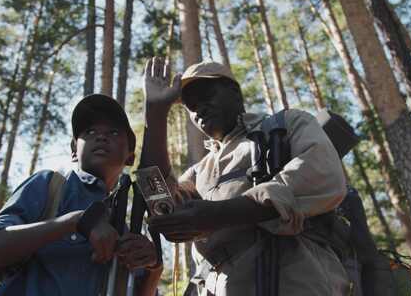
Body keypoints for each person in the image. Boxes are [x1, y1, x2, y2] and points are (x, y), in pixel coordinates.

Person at [140, 57, 350, 295]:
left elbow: (322, 174)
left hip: (296, 281)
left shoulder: (286, 125)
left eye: (207, 95)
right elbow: (160, 203)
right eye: (191, 105)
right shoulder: (199, 172)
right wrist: (155, 114)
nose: (200, 109)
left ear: (235, 93)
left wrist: (221, 213)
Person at [0, 94, 163, 295]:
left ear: (130, 157)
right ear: (74, 150)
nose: (101, 136)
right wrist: (77, 221)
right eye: (89, 132)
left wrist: (154, 266)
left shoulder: (124, 229)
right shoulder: (48, 186)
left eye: (114, 132)